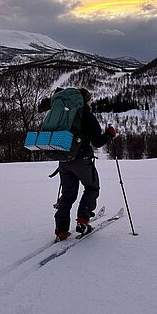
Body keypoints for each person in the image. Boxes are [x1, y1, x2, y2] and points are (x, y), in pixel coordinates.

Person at [54, 88, 116, 241]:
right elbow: (97, 141)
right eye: (90, 98)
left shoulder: (64, 114)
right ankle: (83, 220)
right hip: (82, 161)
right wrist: (109, 134)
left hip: (64, 160)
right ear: (85, 100)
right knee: (92, 187)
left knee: (67, 195)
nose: (92, 101)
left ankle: (61, 230)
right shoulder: (87, 116)